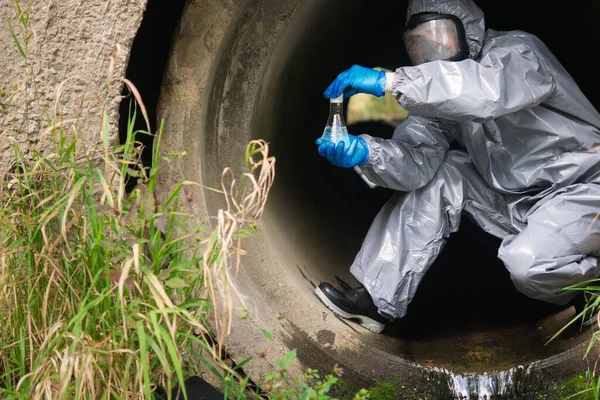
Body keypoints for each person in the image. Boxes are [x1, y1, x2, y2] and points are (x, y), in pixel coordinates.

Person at [315, 0, 600, 333]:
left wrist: (392, 82)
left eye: (440, 35)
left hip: (585, 190)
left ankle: (592, 286)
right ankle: (378, 301)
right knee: (443, 174)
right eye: (419, 44)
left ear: (468, 30)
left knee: (529, 266)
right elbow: (418, 160)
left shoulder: (517, 53)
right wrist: (367, 151)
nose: (432, 50)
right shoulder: (437, 97)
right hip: (522, 203)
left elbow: (484, 91)